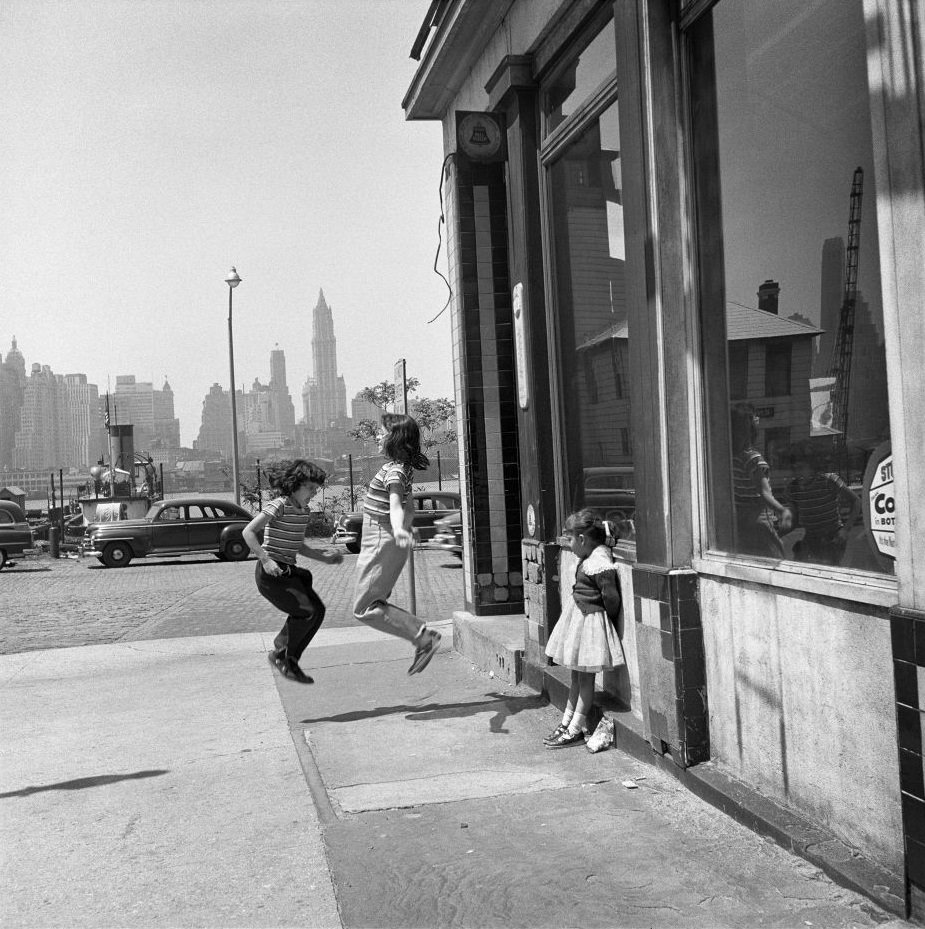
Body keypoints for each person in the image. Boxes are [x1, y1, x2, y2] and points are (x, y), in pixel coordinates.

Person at [352, 413, 441, 675]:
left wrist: (400, 530)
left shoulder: (394, 471)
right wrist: (404, 529)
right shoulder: (402, 469)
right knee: (372, 601)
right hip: (385, 538)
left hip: (381, 537)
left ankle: (423, 638)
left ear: (396, 439)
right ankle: (422, 638)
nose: (377, 437)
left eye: (382, 432)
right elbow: (409, 506)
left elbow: (395, 506)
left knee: (364, 607)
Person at [243, 459, 343, 684]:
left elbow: (298, 545)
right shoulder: (278, 505)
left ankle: (290, 661)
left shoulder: (304, 511)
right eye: (310, 488)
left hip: (288, 570)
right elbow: (248, 532)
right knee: (305, 611)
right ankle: (280, 653)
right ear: (294, 484)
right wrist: (265, 559)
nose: (314, 493)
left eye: (316, 489)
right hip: (271, 573)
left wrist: (324, 558)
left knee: (317, 611)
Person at [544, 509, 625, 749]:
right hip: (582, 622)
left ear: (582, 539)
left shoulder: (599, 563)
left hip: (591, 625)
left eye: (569, 539)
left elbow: (611, 597)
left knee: (586, 680)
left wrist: (606, 621)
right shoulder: (587, 559)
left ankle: (576, 728)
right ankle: (567, 722)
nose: (568, 545)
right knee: (577, 676)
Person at [730, 402, 792, 557]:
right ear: (749, 426)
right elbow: (764, 493)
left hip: (739, 518)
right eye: (755, 417)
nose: (758, 419)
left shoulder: (732, 456)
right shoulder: (753, 458)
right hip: (758, 517)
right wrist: (783, 510)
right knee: (777, 560)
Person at [786, 441, 861, 566]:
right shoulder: (793, 489)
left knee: (829, 570)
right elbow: (794, 521)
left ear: (812, 467)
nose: (797, 473)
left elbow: (856, 501)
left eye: (801, 468)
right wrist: (778, 533)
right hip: (810, 538)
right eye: (794, 469)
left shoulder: (829, 481)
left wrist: (846, 530)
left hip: (832, 537)